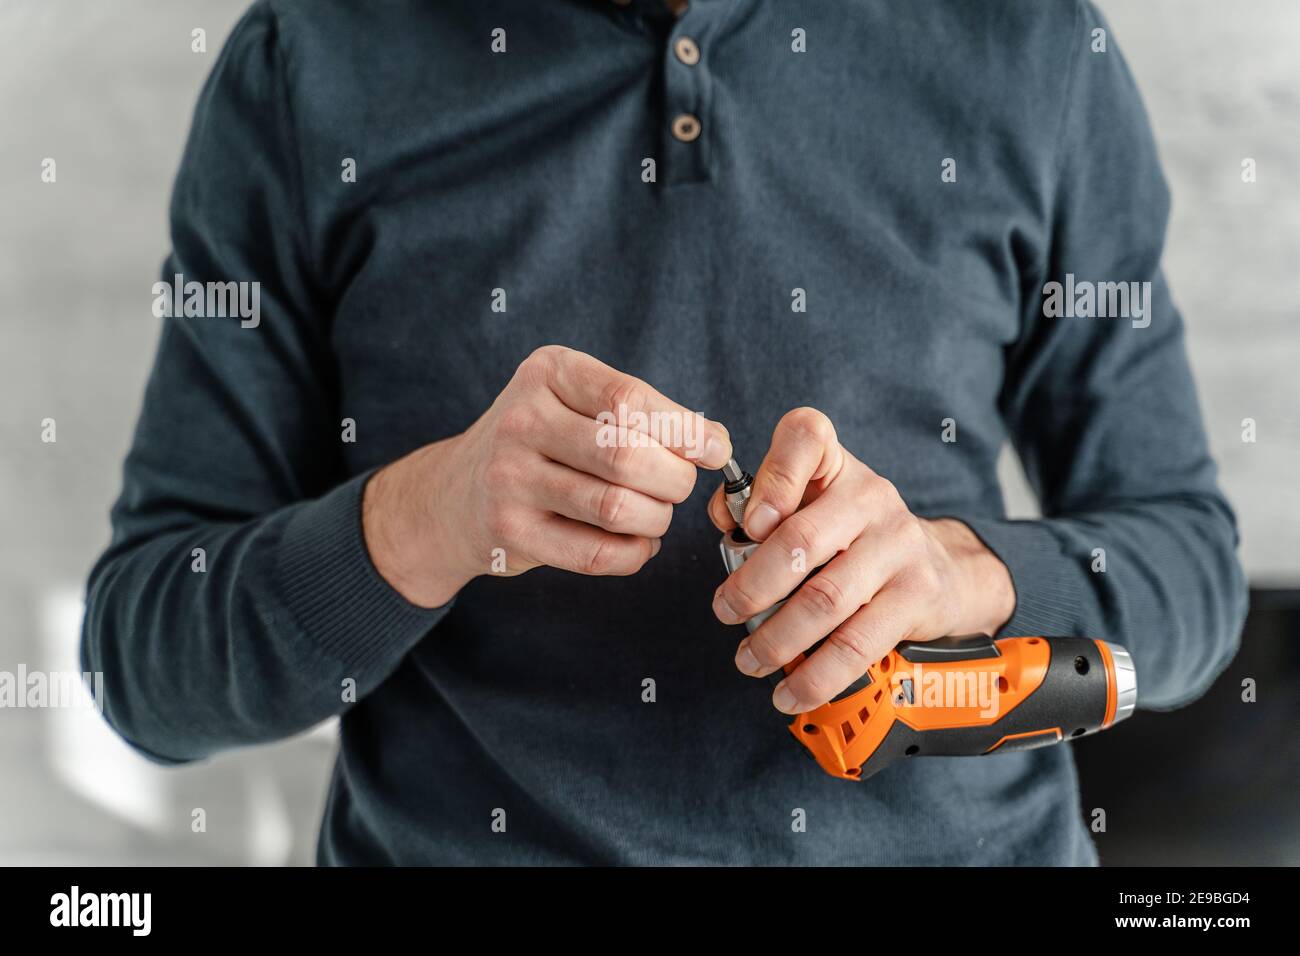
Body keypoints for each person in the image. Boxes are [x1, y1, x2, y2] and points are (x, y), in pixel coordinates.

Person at [82, 0, 1247, 865]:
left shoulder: (1030, 45)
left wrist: (970, 571)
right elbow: (140, 662)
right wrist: (427, 517)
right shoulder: (306, 62)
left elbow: (1191, 575)